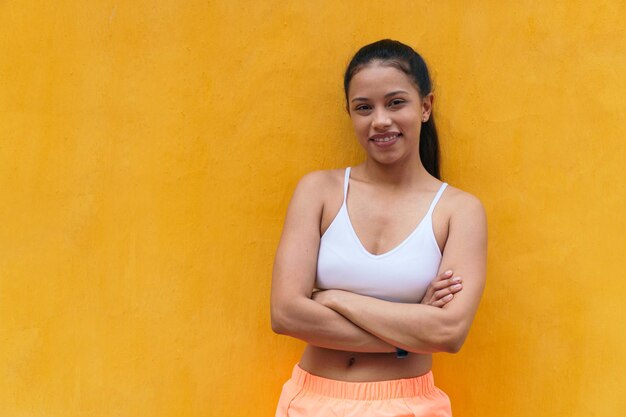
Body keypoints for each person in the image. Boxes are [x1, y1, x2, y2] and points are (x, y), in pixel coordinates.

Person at [270, 39, 487, 417]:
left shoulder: (459, 210)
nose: (380, 120)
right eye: (364, 108)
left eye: (396, 102)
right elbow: (286, 314)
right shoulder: (318, 191)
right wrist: (409, 333)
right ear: (350, 114)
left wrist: (333, 298)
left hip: (409, 406)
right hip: (310, 402)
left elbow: (448, 333)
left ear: (425, 107)